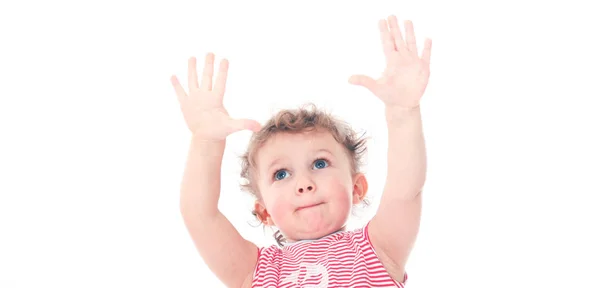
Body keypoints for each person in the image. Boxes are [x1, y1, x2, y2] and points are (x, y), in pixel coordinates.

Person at [171, 15, 432, 288]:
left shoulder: (376, 250)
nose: (304, 184)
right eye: (281, 174)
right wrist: (205, 141)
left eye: (320, 164)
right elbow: (200, 215)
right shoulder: (255, 270)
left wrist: (403, 112)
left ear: (356, 187)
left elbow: (405, 190)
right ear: (264, 212)